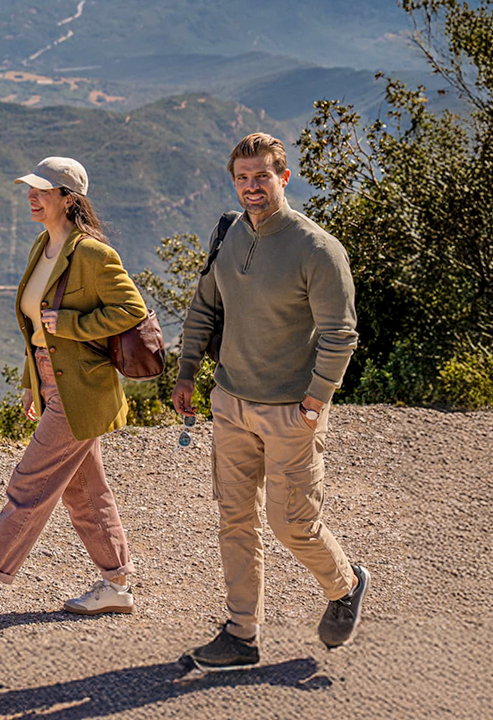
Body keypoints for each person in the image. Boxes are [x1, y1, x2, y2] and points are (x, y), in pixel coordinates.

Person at [173, 131, 367, 669]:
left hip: (291, 413)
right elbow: (204, 307)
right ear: (233, 182)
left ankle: (345, 583)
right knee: (235, 521)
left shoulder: (318, 250)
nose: (252, 187)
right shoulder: (231, 233)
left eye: (262, 177)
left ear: (284, 178)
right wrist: (187, 372)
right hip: (230, 403)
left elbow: (340, 335)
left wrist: (314, 403)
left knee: (292, 525)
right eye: (243, 178)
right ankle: (241, 635)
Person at [0, 156, 148, 619]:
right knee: (84, 491)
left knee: (29, 485)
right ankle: (117, 584)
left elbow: (131, 310)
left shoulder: (92, 253)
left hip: (81, 389)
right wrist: (33, 381)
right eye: (31, 188)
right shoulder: (43, 246)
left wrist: (70, 323)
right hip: (52, 383)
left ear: (68, 199)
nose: (32, 195)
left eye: (43, 190)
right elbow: (33, 328)